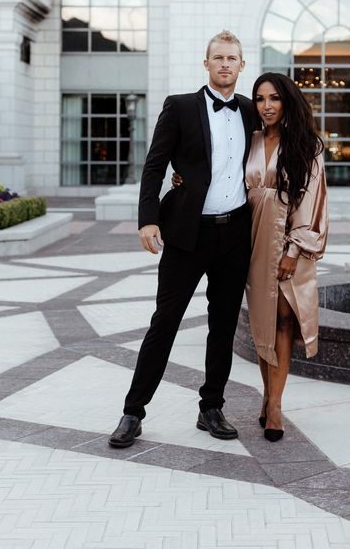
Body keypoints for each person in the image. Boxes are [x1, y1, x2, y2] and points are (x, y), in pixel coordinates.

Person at [108, 30, 257, 449]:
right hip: (187, 235)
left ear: (242, 66)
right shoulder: (179, 107)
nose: (225, 64)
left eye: (233, 58)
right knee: (164, 323)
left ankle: (211, 406)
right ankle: (132, 413)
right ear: (206, 63)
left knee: (223, 326)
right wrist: (147, 219)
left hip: (235, 235)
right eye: (218, 57)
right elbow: (155, 165)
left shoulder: (250, 112)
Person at [172, 71, 328, 442]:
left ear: (287, 101)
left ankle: (275, 406)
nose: (267, 106)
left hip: (292, 242)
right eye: (260, 99)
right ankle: (267, 397)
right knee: (264, 323)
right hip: (253, 240)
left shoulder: (309, 146)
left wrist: (294, 250)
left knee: (285, 321)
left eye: (274, 98)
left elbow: (312, 201)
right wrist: (184, 179)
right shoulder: (250, 139)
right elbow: (219, 168)